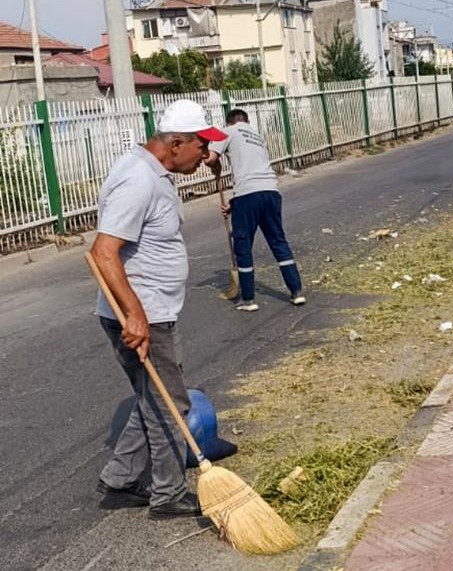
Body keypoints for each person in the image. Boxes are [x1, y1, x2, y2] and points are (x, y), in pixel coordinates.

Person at [90, 100, 227, 519]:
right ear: (177, 142)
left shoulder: (155, 169)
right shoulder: (139, 180)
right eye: (202, 147)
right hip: (143, 315)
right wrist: (136, 315)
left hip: (148, 310)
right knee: (172, 404)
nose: (205, 155)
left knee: (156, 398)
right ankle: (167, 495)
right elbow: (104, 252)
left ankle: (120, 478)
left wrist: (212, 161)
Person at [205, 109, 305, 312]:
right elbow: (254, 171)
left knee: (242, 244)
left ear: (229, 121)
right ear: (247, 121)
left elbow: (209, 158)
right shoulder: (257, 136)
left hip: (247, 194)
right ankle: (296, 292)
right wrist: (233, 204)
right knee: (278, 241)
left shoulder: (228, 132)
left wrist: (215, 165)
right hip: (271, 191)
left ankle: (248, 299)